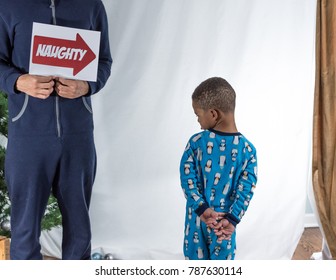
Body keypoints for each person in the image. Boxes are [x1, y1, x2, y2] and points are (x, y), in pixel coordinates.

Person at [0, 0, 112, 260]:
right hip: (28, 135)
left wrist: (86, 86)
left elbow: (104, 61)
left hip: (78, 136)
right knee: (25, 231)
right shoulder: (9, 5)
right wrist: (19, 81)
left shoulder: (91, 5)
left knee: (80, 232)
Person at [180, 77, 257, 260]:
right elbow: (246, 190)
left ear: (213, 114)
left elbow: (187, 179)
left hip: (197, 221)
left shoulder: (196, 143)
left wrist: (202, 208)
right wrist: (231, 219)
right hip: (224, 226)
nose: (198, 120)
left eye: (198, 115)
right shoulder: (248, 151)